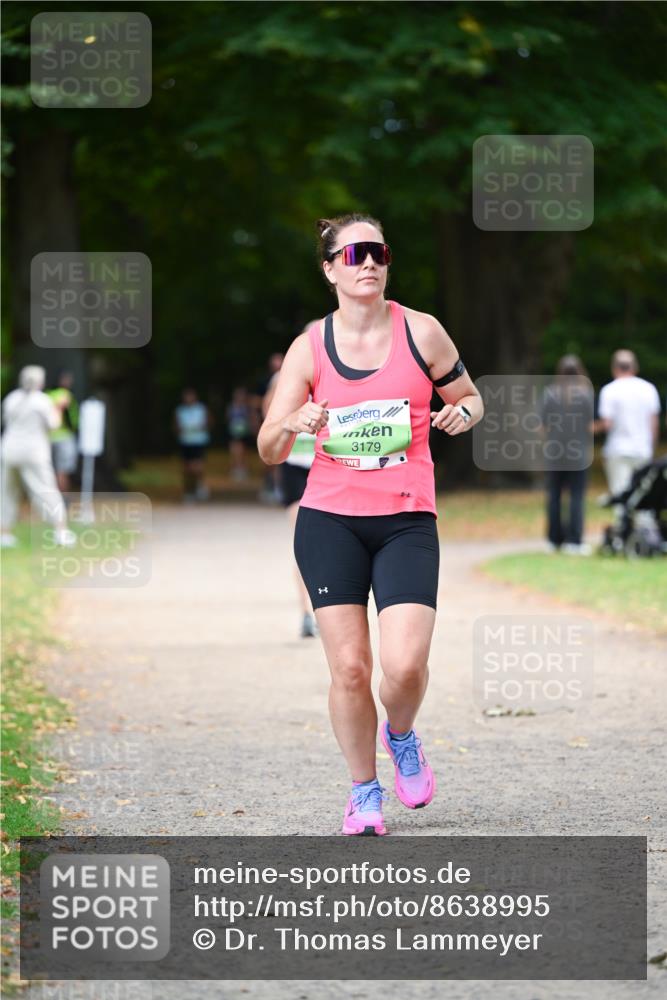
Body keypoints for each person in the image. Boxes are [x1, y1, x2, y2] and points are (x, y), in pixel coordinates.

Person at [257, 214, 483, 836]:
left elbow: (469, 396)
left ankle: (402, 734)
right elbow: (268, 447)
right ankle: (363, 792)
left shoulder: (422, 331)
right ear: (329, 269)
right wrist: (293, 423)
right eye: (353, 253)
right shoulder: (310, 347)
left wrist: (463, 413)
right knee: (351, 668)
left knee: (404, 667)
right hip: (329, 517)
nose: (368, 262)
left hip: (406, 517)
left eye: (378, 251)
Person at [262, 344, 318, 639]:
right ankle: (307, 612)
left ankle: (326, 610)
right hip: (295, 466)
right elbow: (269, 425)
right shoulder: (285, 378)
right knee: (303, 537)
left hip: (328, 464)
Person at [1, 365, 76, 547]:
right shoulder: (42, 401)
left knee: (6, 492)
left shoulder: (12, 398)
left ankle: (4, 534)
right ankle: (61, 531)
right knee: (46, 490)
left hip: (8, 450)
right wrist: (59, 408)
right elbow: (54, 424)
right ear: (40, 381)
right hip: (34, 452)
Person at [541, 355, 594, 555]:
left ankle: (554, 540)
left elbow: (542, 425)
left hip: (555, 453)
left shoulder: (550, 393)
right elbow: (590, 425)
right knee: (576, 497)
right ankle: (574, 540)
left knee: (554, 496)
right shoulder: (585, 394)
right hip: (578, 453)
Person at [594, 350, 661, 497]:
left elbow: (607, 424)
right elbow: (654, 424)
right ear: (635, 367)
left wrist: (590, 427)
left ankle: (624, 520)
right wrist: (651, 448)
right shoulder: (649, 389)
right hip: (642, 450)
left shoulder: (609, 390)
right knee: (642, 497)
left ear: (614, 368)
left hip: (617, 450)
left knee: (621, 496)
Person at [173, 388, 212, 502]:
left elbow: (209, 422)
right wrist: (179, 430)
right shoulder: (180, 410)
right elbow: (175, 426)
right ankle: (189, 490)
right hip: (185, 442)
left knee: (197, 466)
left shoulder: (201, 409)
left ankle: (200, 485)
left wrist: (203, 426)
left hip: (199, 441)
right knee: (187, 468)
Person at [47, 370, 79, 494]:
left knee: (52, 470)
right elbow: (60, 413)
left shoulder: (48, 394)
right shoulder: (64, 394)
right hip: (64, 436)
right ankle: (63, 498)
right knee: (62, 471)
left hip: (49, 437)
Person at [226, 387, 254, 481]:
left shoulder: (246, 407)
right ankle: (236, 468)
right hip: (234, 433)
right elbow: (229, 419)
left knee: (243, 451)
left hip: (244, 433)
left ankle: (243, 468)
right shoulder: (231, 407)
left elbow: (250, 419)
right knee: (235, 450)